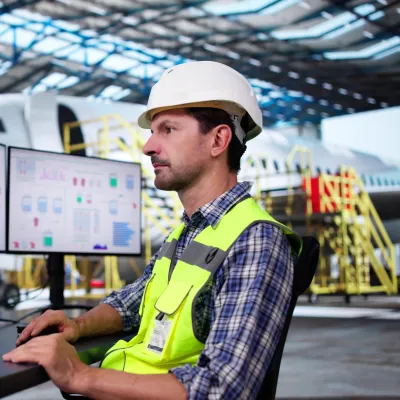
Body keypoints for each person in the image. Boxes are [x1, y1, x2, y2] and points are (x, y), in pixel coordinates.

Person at [3, 61, 301, 400]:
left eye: (168, 130)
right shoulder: (187, 232)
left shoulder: (256, 240)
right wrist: (78, 324)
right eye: (152, 132)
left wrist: (79, 376)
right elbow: (134, 302)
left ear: (218, 140)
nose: (148, 146)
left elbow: (224, 388)